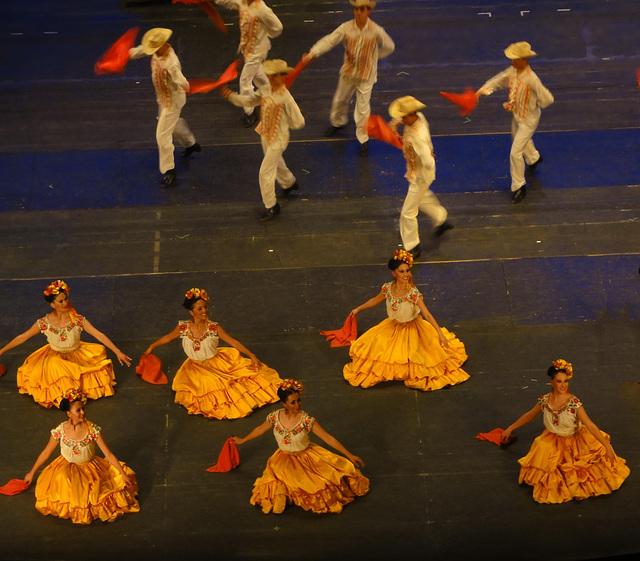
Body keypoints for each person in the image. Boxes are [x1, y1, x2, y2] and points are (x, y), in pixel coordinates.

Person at [500, 359, 630, 503]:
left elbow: (591, 425)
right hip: (553, 439)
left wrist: (606, 446)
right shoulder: (544, 400)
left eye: (566, 381)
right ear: (552, 382)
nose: (563, 385)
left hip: (574, 441)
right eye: (560, 381)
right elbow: (530, 415)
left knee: (582, 470)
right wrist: (510, 428)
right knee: (543, 449)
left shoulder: (574, 403)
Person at [232, 379, 369, 514]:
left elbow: (328, 438)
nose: (297, 404)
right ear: (284, 404)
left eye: (299, 400)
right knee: (279, 485)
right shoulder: (275, 416)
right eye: (293, 402)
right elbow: (260, 429)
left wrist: (349, 455)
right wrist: (243, 440)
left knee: (319, 485)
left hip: (308, 459)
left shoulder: (306, 420)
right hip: (283, 460)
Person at [143, 288, 282, 419]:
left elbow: (232, 342)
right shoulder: (183, 327)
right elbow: (168, 337)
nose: (205, 311)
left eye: (205, 307)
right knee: (208, 384)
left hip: (217, 363)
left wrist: (252, 355)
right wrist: (152, 346)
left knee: (240, 379)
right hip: (195, 368)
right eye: (200, 308)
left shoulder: (214, 328)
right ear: (191, 312)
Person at [344, 250, 468, 390]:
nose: (405, 274)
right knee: (379, 353)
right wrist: (358, 309)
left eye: (407, 271)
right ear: (394, 273)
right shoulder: (387, 288)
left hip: (413, 329)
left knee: (420, 357)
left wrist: (439, 334)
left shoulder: (412, 293)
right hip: (393, 327)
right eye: (401, 271)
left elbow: (427, 314)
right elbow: (375, 300)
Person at [0, 280, 131, 408]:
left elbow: (98, 334)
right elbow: (22, 337)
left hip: (76, 356)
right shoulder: (44, 323)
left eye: (66, 299)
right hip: (54, 357)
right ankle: (66, 398)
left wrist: (117, 351)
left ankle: (69, 396)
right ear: (52, 304)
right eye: (60, 301)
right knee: (54, 363)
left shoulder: (77, 320)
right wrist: (1, 351)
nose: (65, 303)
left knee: (61, 367)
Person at [24, 390, 139, 524]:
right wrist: (31, 473)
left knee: (95, 494)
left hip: (90, 470)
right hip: (65, 468)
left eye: (83, 409)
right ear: (69, 413)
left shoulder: (92, 430)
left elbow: (108, 454)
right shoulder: (60, 431)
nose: (83, 413)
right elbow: (46, 452)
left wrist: (122, 473)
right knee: (66, 483)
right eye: (78, 410)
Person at [302, 0, 395, 157]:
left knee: (363, 109)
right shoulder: (346, 28)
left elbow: (389, 46)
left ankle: (363, 139)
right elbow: (330, 40)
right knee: (340, 99)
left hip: (366, 76)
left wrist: (376, 57)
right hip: (349, 72)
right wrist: (313, 53)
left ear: (368, 11)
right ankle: (338, 122)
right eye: (356, 9)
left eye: (362, 9)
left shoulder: (376, 30)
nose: (358, 12)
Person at [221, 59, 305, 222]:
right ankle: (289, 183)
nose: (271, 78)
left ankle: (272, 206)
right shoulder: (265, 90)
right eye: (270, 76)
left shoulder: (285, 98)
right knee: (276, 163)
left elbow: (299, 121)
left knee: (265, 172)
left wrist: (285, 125)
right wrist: (231, 96)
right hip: (266, 134)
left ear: (282, 76)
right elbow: (249, 100)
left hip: (278, 139)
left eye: (275, 76)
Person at [476, 41, 554, 204]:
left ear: (524, 60)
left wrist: (535, 105)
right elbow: (499, 79)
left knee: (515, 152)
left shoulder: (532, 79)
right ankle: (534, 158)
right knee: (519, 141)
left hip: (528, 120)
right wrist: (483, 90)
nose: (512, 62)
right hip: (517, 116)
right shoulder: (513, 71)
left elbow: (547, 98)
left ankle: (519, 186)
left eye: (516, 59)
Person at [129, 28, 201, 189]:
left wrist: (185, 86)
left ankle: (169, 170)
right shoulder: (157, 52)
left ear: (162, 46)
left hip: (173, 101)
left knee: (162, 135)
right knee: (173, 125)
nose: (152, 51)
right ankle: (190, 143)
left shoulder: (171, 63)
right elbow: (142, 50)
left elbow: (183, 83)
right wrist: (127, 54)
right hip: (163, 99)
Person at [388, 95, 454, 260]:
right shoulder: (419, 118)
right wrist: (397, 123)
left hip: (420, 176)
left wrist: (422, 169)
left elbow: (428, 161)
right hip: (420, 174)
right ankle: (441, 218)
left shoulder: (418, 137)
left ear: (412, 116)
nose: (402, 119)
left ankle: (412, 246)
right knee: (423, 198)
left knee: (407, 212)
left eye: (404, 117)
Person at [213, 0, 283, 127]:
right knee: (258, 75)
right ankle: (274, 94)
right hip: (247, 49)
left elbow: (277, 27)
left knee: (245, 80)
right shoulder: (242, 2)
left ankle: (250, 112)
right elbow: (227, 2)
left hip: (257, 52)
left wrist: (266, 35)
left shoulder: (262, 9)